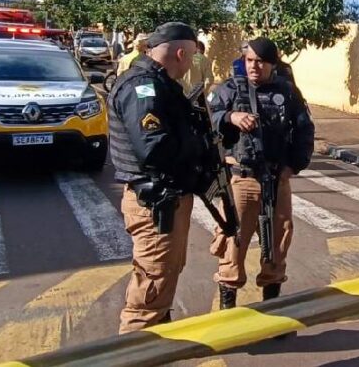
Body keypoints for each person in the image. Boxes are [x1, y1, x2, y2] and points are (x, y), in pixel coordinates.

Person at [107, 22, 203, 333]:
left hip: (165, 200)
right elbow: (154, 148)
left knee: (163, 277)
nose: (190, 65)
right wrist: (198, 145)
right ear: (179, 52)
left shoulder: (158, 83)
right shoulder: (143, 87)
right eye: (190, 58)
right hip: (154, 204)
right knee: (149, 290)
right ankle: (134, 349)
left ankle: (157, 339)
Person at [208, 36, 314, 310]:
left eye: (261, 62)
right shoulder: (228, 90)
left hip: (276, 178)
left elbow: (304, 130)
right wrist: (230, 117)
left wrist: (294, 166)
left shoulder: (288, 92)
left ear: (272, 64)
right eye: (250, 61)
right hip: (241, 178)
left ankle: (271, 308)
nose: (254, 67)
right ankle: (227, 311)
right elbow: (208, 121)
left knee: (278, 240)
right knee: (234, 240)